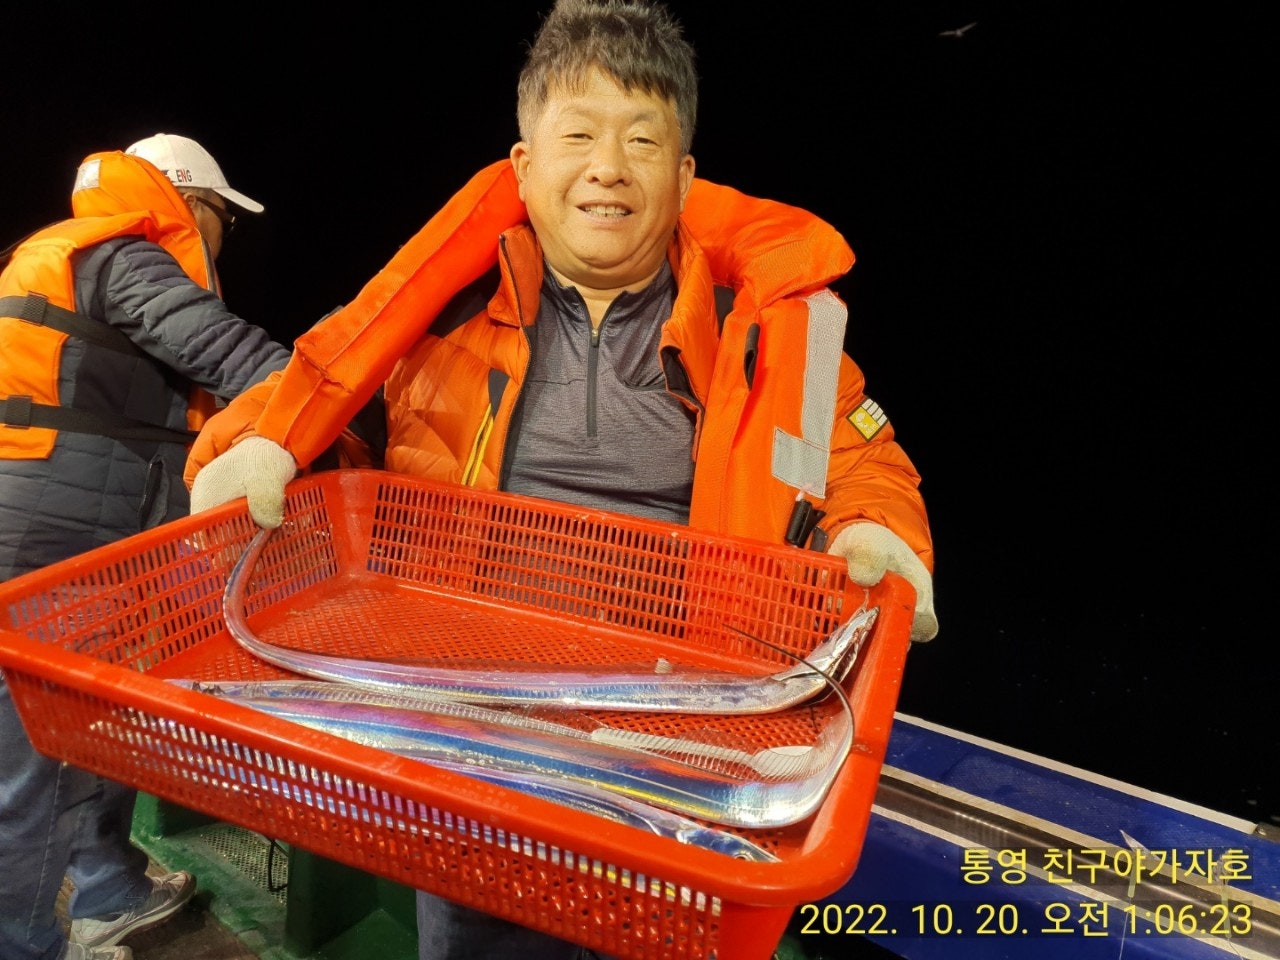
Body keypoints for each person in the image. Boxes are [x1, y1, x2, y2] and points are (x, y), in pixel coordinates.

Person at [184, 0, 939, 957]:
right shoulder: (441, 312)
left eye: (642, 140)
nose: (608, 167)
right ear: (524, 165)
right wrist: (249, 447)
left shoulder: (778, 330)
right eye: (578, 135)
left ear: (685, 174)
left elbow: (857, 456)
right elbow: (315, 395)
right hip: (473, 742)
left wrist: (877, 529)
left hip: (674, 754)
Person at [0, 133, 292, 960]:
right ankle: (24, 942)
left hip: (69, 533)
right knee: (42, 753)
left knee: (88, 726)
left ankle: (109, 890)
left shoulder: (56, 255)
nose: (223, 235)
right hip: (60, 547)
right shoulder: (126, 257)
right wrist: (331, 421)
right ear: (190, 202)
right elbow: (236, 357)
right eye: (223, 217)